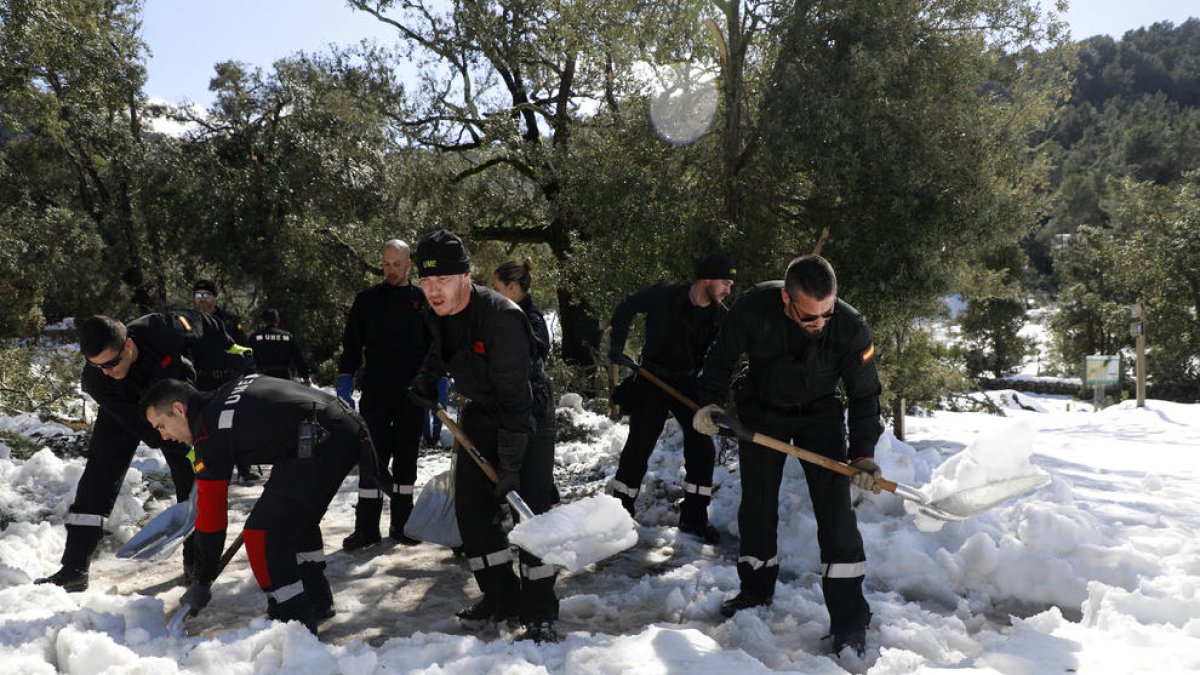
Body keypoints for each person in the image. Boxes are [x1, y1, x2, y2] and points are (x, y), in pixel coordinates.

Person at [692, 254, 883, 657]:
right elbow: (720, 359)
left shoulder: (849, 327)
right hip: (761, 412)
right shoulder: (751, 308)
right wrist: (707, 404)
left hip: (821, 416)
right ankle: (755, 591)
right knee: (757, 504)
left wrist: (863, 455)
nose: (820, 326)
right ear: (786, 300)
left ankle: (850, 619)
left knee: (837, 514)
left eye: (826, 315)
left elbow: (865, 395)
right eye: (810, 318)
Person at [409, 229, 559, 643]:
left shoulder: (503, 318)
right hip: (480, 412)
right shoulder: (437, 311)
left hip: (527, 417)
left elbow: (517, 403)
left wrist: (510, 467)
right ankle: (501, 597)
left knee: (532, 519)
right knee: (473, 515)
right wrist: (427, 378)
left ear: (466, 277)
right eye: (426, 281)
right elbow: (440, 351)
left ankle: (541, 609)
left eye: (442, 281)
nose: (433, 290)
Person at [34, 312, 242, 591]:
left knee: (193, 484)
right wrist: (182, 447)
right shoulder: (98, 380)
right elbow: (150, 433)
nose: (107, 370)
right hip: (126, 410)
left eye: (111, 363)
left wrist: (230, 347)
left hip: (173, 401)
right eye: (98, 366)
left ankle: (196, 565)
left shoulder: (162, 329)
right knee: (97, 479)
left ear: (128, 345)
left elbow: (207, 324)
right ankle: (73, 568)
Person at [141, 375, 365, 634]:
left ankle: (293, 625)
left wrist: (201, 580)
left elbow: (211, 518)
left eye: (161, 426)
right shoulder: (223, 397)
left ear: (179, 410)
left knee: (261, 534)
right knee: (293, 520)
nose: (165, 436)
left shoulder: (209, 433)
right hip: (338, 426)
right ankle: (316, 600)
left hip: (321, 438)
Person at [605, 252, 735, 542]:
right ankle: (618, 518)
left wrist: (714, 401)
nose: (728, 290)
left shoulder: (721, 318)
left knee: (703, 446)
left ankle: (694, 519)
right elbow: (627, 307)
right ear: (707, 279)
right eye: (725, 282)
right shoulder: (664, 295)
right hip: (652, 379)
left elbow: (723, 362)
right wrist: (617, 346)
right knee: (639, 445)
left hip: (687, 382)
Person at [336, 240, 429, 550]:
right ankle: (366, 529)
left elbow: (435, 346)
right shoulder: (367, 300)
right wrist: (345, 375)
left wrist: (439, 381)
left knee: (406, 460)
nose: (390, 270)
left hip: (413, 393)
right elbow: (351, 342)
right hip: (376, 389)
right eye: (386, 264)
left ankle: (403, 525)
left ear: (409, 265)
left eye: (397, 264)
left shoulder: (423, 300)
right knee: (372, 459)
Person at [193, 279, 259, 485]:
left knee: (234, 423)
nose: (202, 300)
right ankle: (203, 469)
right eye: (198, 296)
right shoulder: (189, 321)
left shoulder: (229, 321)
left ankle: (244, 468)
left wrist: (246, 373)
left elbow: (243, 348)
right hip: (200, 380)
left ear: (215, 297)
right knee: (201, 427)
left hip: (227, 379)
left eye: (206, 295)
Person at [250, 309, 312, 385]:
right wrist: (306, 377)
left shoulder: (255, 337)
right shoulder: (288, 337)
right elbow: (299, 358)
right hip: (284, 378)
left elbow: (248, 359)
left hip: (263, 380)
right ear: (278, 321)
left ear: (263, 321)